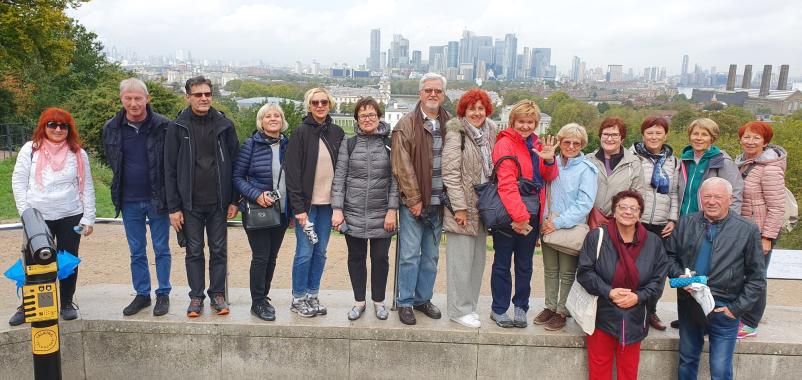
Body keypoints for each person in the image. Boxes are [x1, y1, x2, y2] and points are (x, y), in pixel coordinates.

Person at [667, 177, 765, 380]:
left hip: (724, 308)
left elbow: (757, 278)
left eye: (718, 197)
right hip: (690, 305)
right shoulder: (686, 222)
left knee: (720, 370)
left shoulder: (747, 229)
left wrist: (735, 309)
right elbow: (669, 258)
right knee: (687, 360)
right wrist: (680, 277)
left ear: (730, 199)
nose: (712, 201)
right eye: (707, 196)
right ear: (700, 199)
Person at [9, 107, 96, 325]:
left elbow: (87, 187)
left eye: (63, 126)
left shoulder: (77, 153)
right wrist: (26, 213)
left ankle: (66, 301)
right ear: (43, 126)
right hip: (38, 216)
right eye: (52, 124)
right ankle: (28, 305)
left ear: (69, 129)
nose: (57, 129)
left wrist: (89, 218)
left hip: (70, 214)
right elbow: (18, 182)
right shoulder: (31, 149)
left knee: (68, 261)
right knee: (34, 262)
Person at [164, 76, 240, 318]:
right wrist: (174, 207)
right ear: (188, 97)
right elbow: (170, 169)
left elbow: (236, 163)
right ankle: (196, 296)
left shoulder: (224, 125)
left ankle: (217, 294)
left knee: (219, 250)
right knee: (194, 251)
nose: (204, 98)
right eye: (198, 95)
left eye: (207, 94)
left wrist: (234, 199)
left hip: (218, 202)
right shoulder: (177, 127)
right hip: (190, 203)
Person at [576, 190, 668, 380]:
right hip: (602, 313)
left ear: (640, 213)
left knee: (628, 372)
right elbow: (585, 272)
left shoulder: (653, 242)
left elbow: (658, 279)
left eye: (633, 208)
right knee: (599, 371)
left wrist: (638, 296)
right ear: (614, 211)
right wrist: (609, 292)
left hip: (635, 316)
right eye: (622, 207)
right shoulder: (597, 237)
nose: (628, 212)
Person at [102, 78, 172, 317]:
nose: (133, 103)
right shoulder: (111, 127)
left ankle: (163, 293)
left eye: (138, 98)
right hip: (128, 199)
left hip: (157, 198)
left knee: (162, 248)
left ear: (147, 99)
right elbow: (113, 160)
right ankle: (142, 294)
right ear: (121, 99)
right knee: (137, 250)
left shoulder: (163, 125)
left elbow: (171, 163)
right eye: (128, 98)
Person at [489, 100, 557, 328]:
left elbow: (547, 176)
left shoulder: (537, 143)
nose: (526, 126)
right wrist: (519, 217)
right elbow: (506, 183)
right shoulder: (505, 144)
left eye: (530, 122)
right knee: (502, 262)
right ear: (513, 122)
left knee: (525, 264)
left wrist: (548, 159)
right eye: (521, 122)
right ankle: (499, 308)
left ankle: (520, 306)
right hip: (510, 213)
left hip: (532, 211)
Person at [391, 72, 451, 325]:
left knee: (431, 256)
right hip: (414, 203)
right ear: (420, 94)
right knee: (408, 255)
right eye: (428, 90)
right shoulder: (406, 124)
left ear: (444, 95)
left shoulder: (452, 124)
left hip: (439, 203)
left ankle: (422, 299)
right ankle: (405, 301)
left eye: (437, 91)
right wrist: (414, 199)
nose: (433, 94)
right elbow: (401, 165)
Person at [331, 97, 398, 321]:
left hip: (382, 213)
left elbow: (396, 180)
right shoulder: (348, 144)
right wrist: (337, 209)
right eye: (362, 116)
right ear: (357, 120)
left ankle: (379, 301)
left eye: (371, 115)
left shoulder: (389, 144)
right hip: (354, 211)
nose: (367, 119)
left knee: (380, 258)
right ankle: (359, 301)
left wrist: (392, 209)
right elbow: (339, 178)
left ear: (379, 117)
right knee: (356, 257)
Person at [285, 87, 344, 318]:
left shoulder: (337, 132)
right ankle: (298, 297)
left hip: (328, 205)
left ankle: (312, 294)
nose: (320, 106)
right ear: (309, 106)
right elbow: (292, 172)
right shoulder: (301, 132)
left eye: (324, 102)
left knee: (320, 252)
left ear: (329, 104)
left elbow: (343, 170)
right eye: (315, 102)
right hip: (307, 207)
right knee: (304, 252)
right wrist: (298, 209)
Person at [441, 89, 498, 328]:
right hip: (463, 208)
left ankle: (470, 306)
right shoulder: (457, 134)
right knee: (460, 262)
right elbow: (450, 174)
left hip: (484, 207)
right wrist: (459, 208)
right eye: (472, 108)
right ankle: (457, 310)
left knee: (477, 262)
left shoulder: (491, 132)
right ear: (463, 111)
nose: (477, 113)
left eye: (481, 108)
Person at [536, 123, 597, 331]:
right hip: (548, 223)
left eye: (576, 143)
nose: (571, 146)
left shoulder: (586, 169)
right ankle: (550, 306)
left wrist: (558, 223)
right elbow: (544, 192)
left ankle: (562, 311)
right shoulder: (552, 163)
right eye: (567, 142)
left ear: (582, 145)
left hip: (570, 225)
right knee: (550, 270)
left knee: (567, 272)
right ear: (560, 142)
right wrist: (544, 223)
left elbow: (585, 203)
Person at [232, 103, 290, 322]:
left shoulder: (288, 145)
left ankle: (264, 297)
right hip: (258, 210)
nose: (273, 119)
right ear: (261, 121)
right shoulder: (251, 145)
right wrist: (256, 194)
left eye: (277, 115)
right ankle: (257, 302)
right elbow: (236, 177)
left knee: (272, 257)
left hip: (282, 210)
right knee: (261, 256)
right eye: (268, 116)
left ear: (282, 120)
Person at [734, 121, 787, 339]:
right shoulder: (742, 163)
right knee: (741, 275)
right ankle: (740, 315)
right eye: (747, 136)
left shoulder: (770, 168)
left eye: (756, 138)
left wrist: (767, 237)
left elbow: (777, 207)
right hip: (743, 230)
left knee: (756, 276)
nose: (750, 141)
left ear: (765, 142)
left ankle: (750, 322)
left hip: (760, 231)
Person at [630, 116, 680, 330]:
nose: (654, 136)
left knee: (657, 272)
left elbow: (675, 192)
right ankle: (633, 312)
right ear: (643, 135)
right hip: (636, 221)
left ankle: (651, 311)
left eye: (658, 132)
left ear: (665, 135)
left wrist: (673, 218)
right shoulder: (632, 156)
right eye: (650, 132)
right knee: (633, 270)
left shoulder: (673, 161)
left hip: (661, 223)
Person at [678, 118, 743, 217]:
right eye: (695, 134)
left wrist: (728, 224)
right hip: (684, 221)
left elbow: (735, 196)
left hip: (710, 222)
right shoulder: (683, 161)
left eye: (704, 135)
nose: (699, 138)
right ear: (690, 136)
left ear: (712, 139)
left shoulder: (723, 162)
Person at [587, 117, 644, 219]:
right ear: (600, 136)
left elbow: (637, 197)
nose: (609, 139)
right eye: (605, 134)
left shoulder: (634, 163)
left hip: (618, 222)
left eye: (614, 135)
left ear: (622, 139)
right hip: (588, 220)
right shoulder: (588, 160)